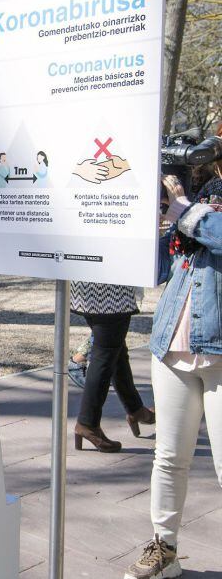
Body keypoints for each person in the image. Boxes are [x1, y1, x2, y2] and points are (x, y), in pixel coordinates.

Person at [124, 132, 222, 579]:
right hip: (173, 341)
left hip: (219, 345)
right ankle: (164, 549)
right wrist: (159, 218)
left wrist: (189, 215)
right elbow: (159, 269)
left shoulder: (197, 205)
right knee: (169, 455)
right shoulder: (201, 190)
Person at [69, 281, 154, 453]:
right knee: (105, 355)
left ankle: (135, 409)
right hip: (112, 292)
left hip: (85, 288)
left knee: (116, 351)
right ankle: (87, 423)